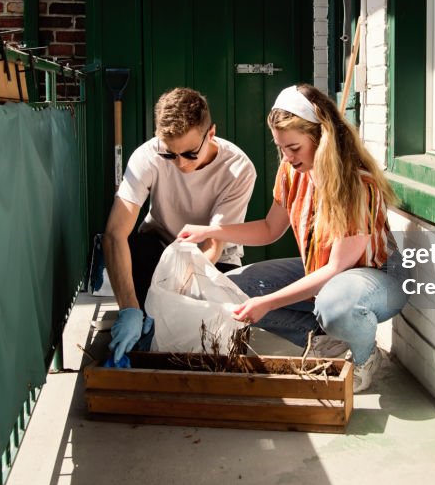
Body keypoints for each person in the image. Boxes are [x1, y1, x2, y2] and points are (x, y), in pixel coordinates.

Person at [178, 84, 407, 392]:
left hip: (375, 280)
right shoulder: (291, 172)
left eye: (294, 147)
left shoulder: (356, 183)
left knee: (336, 303)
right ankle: (331, 341)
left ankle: (365, 359)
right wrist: (211, 231)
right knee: (232, 287)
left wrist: (268, 303)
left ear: (320, 137)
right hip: (323, 273)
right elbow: (269, 229)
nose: (287, 156)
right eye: (281, 147)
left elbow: (337, 268)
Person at [104, 87, 257, 361]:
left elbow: (214, 244)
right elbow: (115, 233)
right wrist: (129, 308)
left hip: (212, 261)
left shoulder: (238, 168)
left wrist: (171, 294)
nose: (179, 164)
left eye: (188, 154)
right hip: (159, 248)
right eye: (169, 155)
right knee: (136, 249)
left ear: (210, 134)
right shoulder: (146, 156)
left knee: (206, 340)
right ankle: (136, 327)